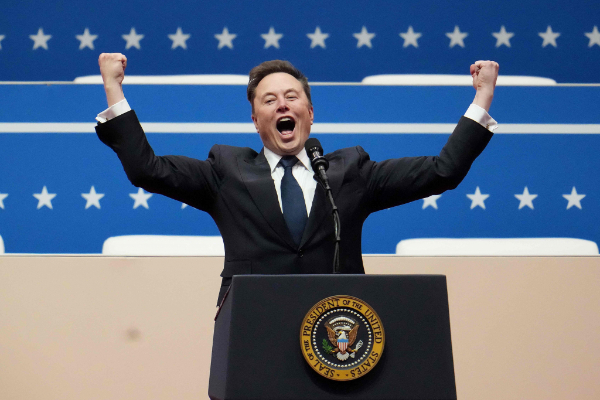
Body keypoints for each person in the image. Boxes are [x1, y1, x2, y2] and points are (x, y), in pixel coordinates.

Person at [95, 54, 499, 304]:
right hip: (253, 327)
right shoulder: (225, 171)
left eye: (292, 97)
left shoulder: (351, 171)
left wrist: (482, 97)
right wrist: (113, 87)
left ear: (310, 113)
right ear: (256, 121)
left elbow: (442, 171)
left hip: (339, 330)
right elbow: (147, 169)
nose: (282, 105)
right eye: (269, 100)